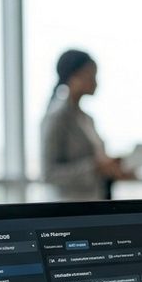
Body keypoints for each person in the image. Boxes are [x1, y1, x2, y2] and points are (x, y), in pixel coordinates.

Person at [40, 49, 133, 200]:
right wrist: (95, 167)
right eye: (90, 75)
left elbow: (96, 164)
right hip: (69, 210)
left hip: (94, 203)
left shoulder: (87, 119)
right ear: (73, 77)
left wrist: (113, 168)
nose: (96, 82)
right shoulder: (56, 117)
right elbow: (48, 174)